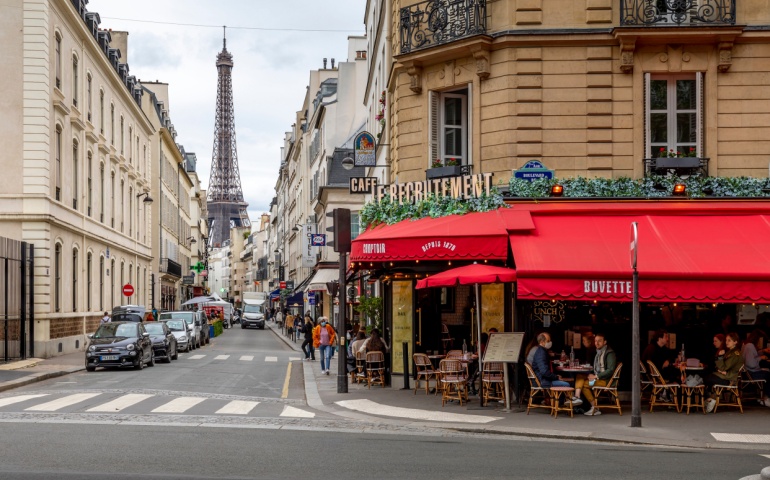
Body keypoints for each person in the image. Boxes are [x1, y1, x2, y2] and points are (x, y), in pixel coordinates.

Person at [529, 333, 577, 405]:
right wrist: (556, 377)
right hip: (543, 381)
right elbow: (544, 372)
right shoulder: (541, 353)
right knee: (566, 384)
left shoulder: (541, 351)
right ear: (542, 342)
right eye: (548, 341)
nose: (550, 342)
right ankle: (560, 404)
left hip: (542, 379)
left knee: (564, 381)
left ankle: (560, 403)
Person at [575, 333, 616, 416]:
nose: (596, 343)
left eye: (599, 341)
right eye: (596, 341)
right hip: (598, 378)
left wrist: (596, 376)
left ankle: (595, 407)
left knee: (585, 385)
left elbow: (610, 370)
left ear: (605, 342)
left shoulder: (609, 353)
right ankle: (577, 397)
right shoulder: (599, 352)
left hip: (605, 380)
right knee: (580, 376)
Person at [705, 332, 744, 413]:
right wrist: (721, 369)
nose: (726, 342)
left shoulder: (735, 354)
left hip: (730, 379)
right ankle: (711, 398)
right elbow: (720, 367)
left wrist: (720, 357)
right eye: (726, 340)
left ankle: (711, 399)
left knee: (707, 378)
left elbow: (724, 367)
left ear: (735, 342)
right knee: (708, 378)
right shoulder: (730, 352)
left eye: (729, 340)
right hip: (725, 376)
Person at [742, 330, 770, 407]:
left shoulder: (747, 345)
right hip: (751, 373)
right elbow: (751, 363)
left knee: (767, 371)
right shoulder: (750, 346)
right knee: (768, 375)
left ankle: (764, 396)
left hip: (749, 372)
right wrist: (761, 358)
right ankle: (767, 397)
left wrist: (762, 351)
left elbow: (753, 355)